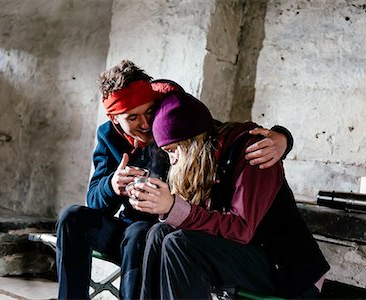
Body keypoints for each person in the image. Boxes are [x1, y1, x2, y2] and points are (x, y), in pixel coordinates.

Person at [55, 59, 294, 300]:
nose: (146, 124)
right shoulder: (108, 136)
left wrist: (283, 138)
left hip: (164, 228)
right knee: (72, 217)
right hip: (138, 230)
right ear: (115, 118)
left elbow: (206, 130)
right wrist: (111, 185)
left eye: (149, 113)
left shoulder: (172, 120)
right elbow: (95, 200)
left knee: (145, 233)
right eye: (133, 118)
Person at [128, 92, 330, 299]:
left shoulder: (254, 152)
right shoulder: (207, 157)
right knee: (159, 232)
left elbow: (241, 229)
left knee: (180, 244)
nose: (172, 161)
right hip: (251, 255)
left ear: (191, 143)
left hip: (288, 272)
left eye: (173, 150)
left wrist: (173, 208)